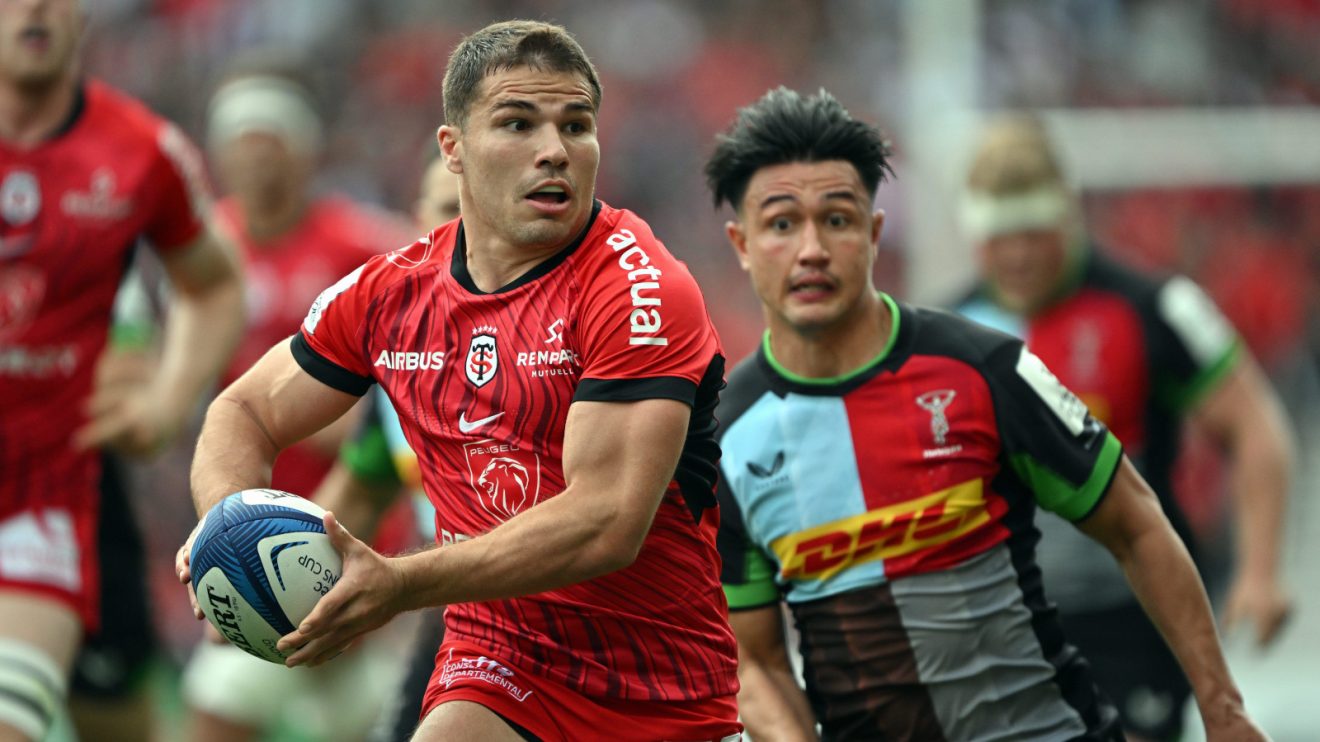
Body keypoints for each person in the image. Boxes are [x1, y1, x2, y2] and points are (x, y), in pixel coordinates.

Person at [177, 20, 741, 742]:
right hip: (498, 661)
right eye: (518, 123)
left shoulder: (640, 287)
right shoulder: (389, 293)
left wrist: (400, 583)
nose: (554, 149)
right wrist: (225, 529)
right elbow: (244, 410)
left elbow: (605, 524)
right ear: (454, 149)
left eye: (576, 125)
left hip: (660, 693)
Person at [704, 87, 1266, 741]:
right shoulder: (726, 443)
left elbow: (1137, 524)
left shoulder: (985, 369)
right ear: (742, 244)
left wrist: (1223, 709)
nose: (811, 249)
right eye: (781, 225)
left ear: (874, 233)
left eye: (836, 219)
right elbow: (756, 662)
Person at [952, 115, 1295, 742]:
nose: (1018, 253)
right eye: (1001, 235)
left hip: (1131, 616)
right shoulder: (949, 333)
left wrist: (1261, 570)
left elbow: (1255, 427)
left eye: (1033, 231)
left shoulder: (1154, 307)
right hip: (1006, 626)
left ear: (1067, 215)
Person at [0, 1, 245, 740]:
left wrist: (166, 401)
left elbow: (214, 284)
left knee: (109, 716)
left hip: (48, 492)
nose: (35, 7)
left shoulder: (141, 150)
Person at [179, 61, 415, 742]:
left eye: (271, 143)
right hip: (250, 532)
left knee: (370, 710)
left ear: (306, 152)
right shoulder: (207, 250)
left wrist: (309, 421)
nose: (255, 161)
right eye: (242, 145)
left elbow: (410, 380)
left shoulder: (364, 245)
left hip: (360, 526)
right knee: (218, 709)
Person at [306, 153, 459, 742]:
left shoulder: (559, 344)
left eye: (477, 208)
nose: (463, 228)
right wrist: (255, 574)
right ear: (417, 223)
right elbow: (357, 496)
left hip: (580, 616)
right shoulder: (397, 362)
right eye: (448, 209)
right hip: (461, 613)